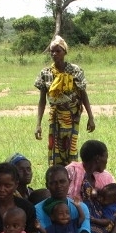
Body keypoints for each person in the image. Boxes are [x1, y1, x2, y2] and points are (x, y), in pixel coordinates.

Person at [34, 35, 96, 166]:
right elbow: (42, 101)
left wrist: (91, 117)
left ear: (65, 52)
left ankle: (72, 175)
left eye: (58, 51)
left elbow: (83, 94)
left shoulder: (75, 71)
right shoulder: (45, 73)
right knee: (55, 148)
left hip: (72, 116)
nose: (54, 54)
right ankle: (57, 174)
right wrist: (38, 124)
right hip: (55, 116)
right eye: (52, 51)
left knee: (71, 148)